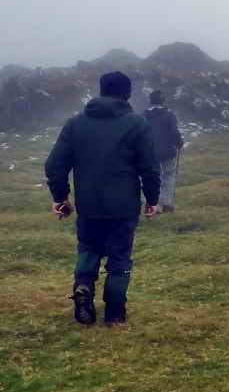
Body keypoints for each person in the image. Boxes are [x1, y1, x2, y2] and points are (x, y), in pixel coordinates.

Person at [44, 71, 160, 326]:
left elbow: (54, 165)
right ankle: (115, 313)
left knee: (88, 249)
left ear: (101, 90)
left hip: (89, 206)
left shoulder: (75, 123)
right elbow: (150, 167)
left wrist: (60, 197)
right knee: (119, 256)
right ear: (127, 93)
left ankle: (83, 287)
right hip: (124, 206)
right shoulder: (137, 124)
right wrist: (152, 199)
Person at [143, 90, 184, 213]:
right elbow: (173, 131)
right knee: (168, 176)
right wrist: (179, 143)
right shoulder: (169, 114)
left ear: (150, 100)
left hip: (150, 151)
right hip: (168, 151)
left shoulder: (144, 115)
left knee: (152, 177)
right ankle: (166, 203)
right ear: (163, 100)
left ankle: (152, 206)